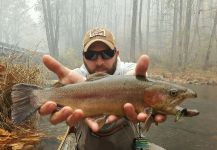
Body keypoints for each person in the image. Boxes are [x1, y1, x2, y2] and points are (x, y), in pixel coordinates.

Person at [40, 27, 166, 150]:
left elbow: (143, 79)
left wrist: (139, 87)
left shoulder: (129, 72)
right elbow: (56, 102)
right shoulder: (74, 79)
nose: (99, 62)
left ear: (116, 53)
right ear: (83, 56)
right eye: (91, 55)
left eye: (107, 53)